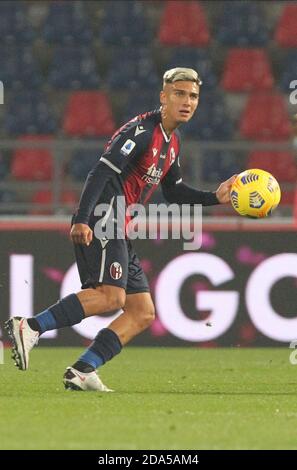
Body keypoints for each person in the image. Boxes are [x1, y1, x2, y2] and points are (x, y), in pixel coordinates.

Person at [5, 68, 236, 392]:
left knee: (142, 311)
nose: (187, 101)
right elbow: (100, 172)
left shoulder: (172, 143)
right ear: (164, 96)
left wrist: (216, 198)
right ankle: (30, 326)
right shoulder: (141, 131)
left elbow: (175, 192)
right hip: (104, 217)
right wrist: (83, 218)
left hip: (121, 226)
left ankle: (83, 369)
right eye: (179, 94)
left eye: (193, 96)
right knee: (111, 298)